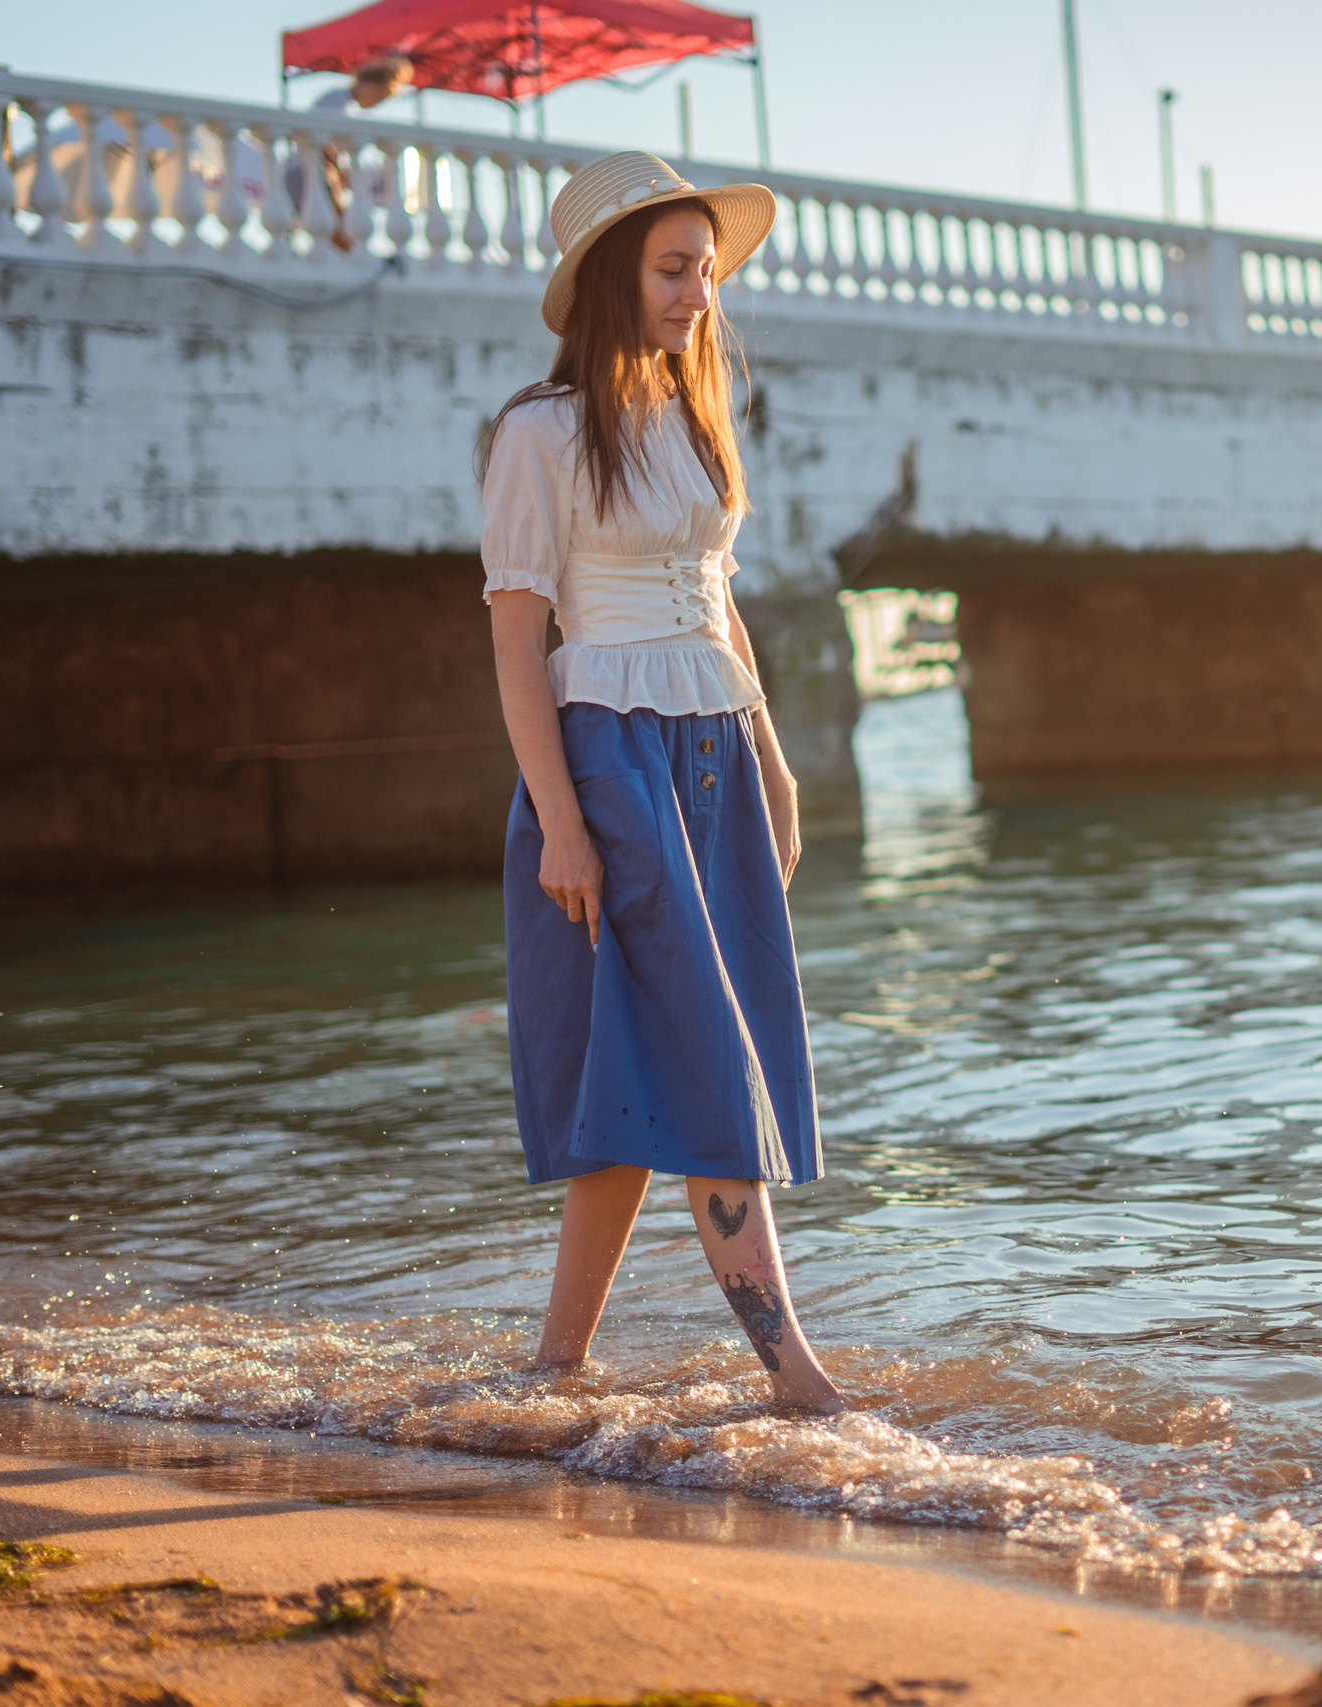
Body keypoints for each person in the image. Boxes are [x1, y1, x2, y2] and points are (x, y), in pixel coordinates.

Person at [478, 151, 847, 1413]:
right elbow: (517, 640)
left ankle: (552, 1368)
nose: (700, 293)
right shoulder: (537, 434)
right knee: (706, 1061)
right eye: (673, 268)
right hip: (613, 764)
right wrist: (564, 827)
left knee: (637, 1074)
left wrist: (776, 759)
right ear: (607, 280)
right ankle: (796, 1377)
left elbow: (719, 605)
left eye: (707, 269)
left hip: (716, 754)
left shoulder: (693, 421)